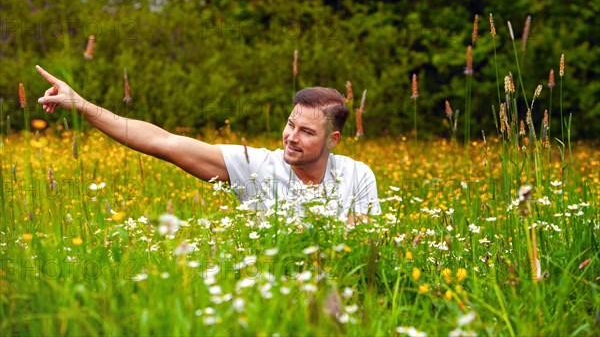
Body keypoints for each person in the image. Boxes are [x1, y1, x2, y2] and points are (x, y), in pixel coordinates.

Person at [36, 65, 381, 224]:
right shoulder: (256, 166)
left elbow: (364, 246)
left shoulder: (356, 175)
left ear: (333, 140)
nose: (291, 136)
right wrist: (81, 104)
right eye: (290, 124)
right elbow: (163, 142)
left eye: (306, 131)